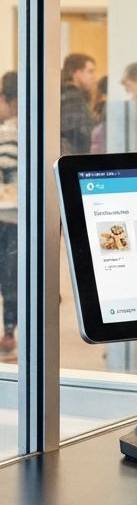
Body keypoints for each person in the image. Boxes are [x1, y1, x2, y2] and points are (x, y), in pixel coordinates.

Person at [0, 72, 17, 357]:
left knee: (9, 276)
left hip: (8, 215)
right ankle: (10, 330)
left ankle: (10, 331)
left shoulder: (8, 134)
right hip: (16, 216)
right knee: (11, 275)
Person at [60, 53, 97, 155]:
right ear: (76, 72)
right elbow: (81, 134)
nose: (94, 77)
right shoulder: (72, 97)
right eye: (90, 71)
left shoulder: (67, 94)